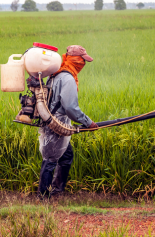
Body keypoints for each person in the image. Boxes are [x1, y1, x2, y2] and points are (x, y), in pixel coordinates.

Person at [37, 45, 98, 198]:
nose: (83, 64)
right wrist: (88, 122)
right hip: (56, 124)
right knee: (51, 159)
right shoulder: (68, 78)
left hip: (52, 121)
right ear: (75, 60)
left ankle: (57, 191)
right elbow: (70, 108)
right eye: (82, 61)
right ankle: (43, 197)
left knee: (66, 155)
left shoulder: (56, 74)